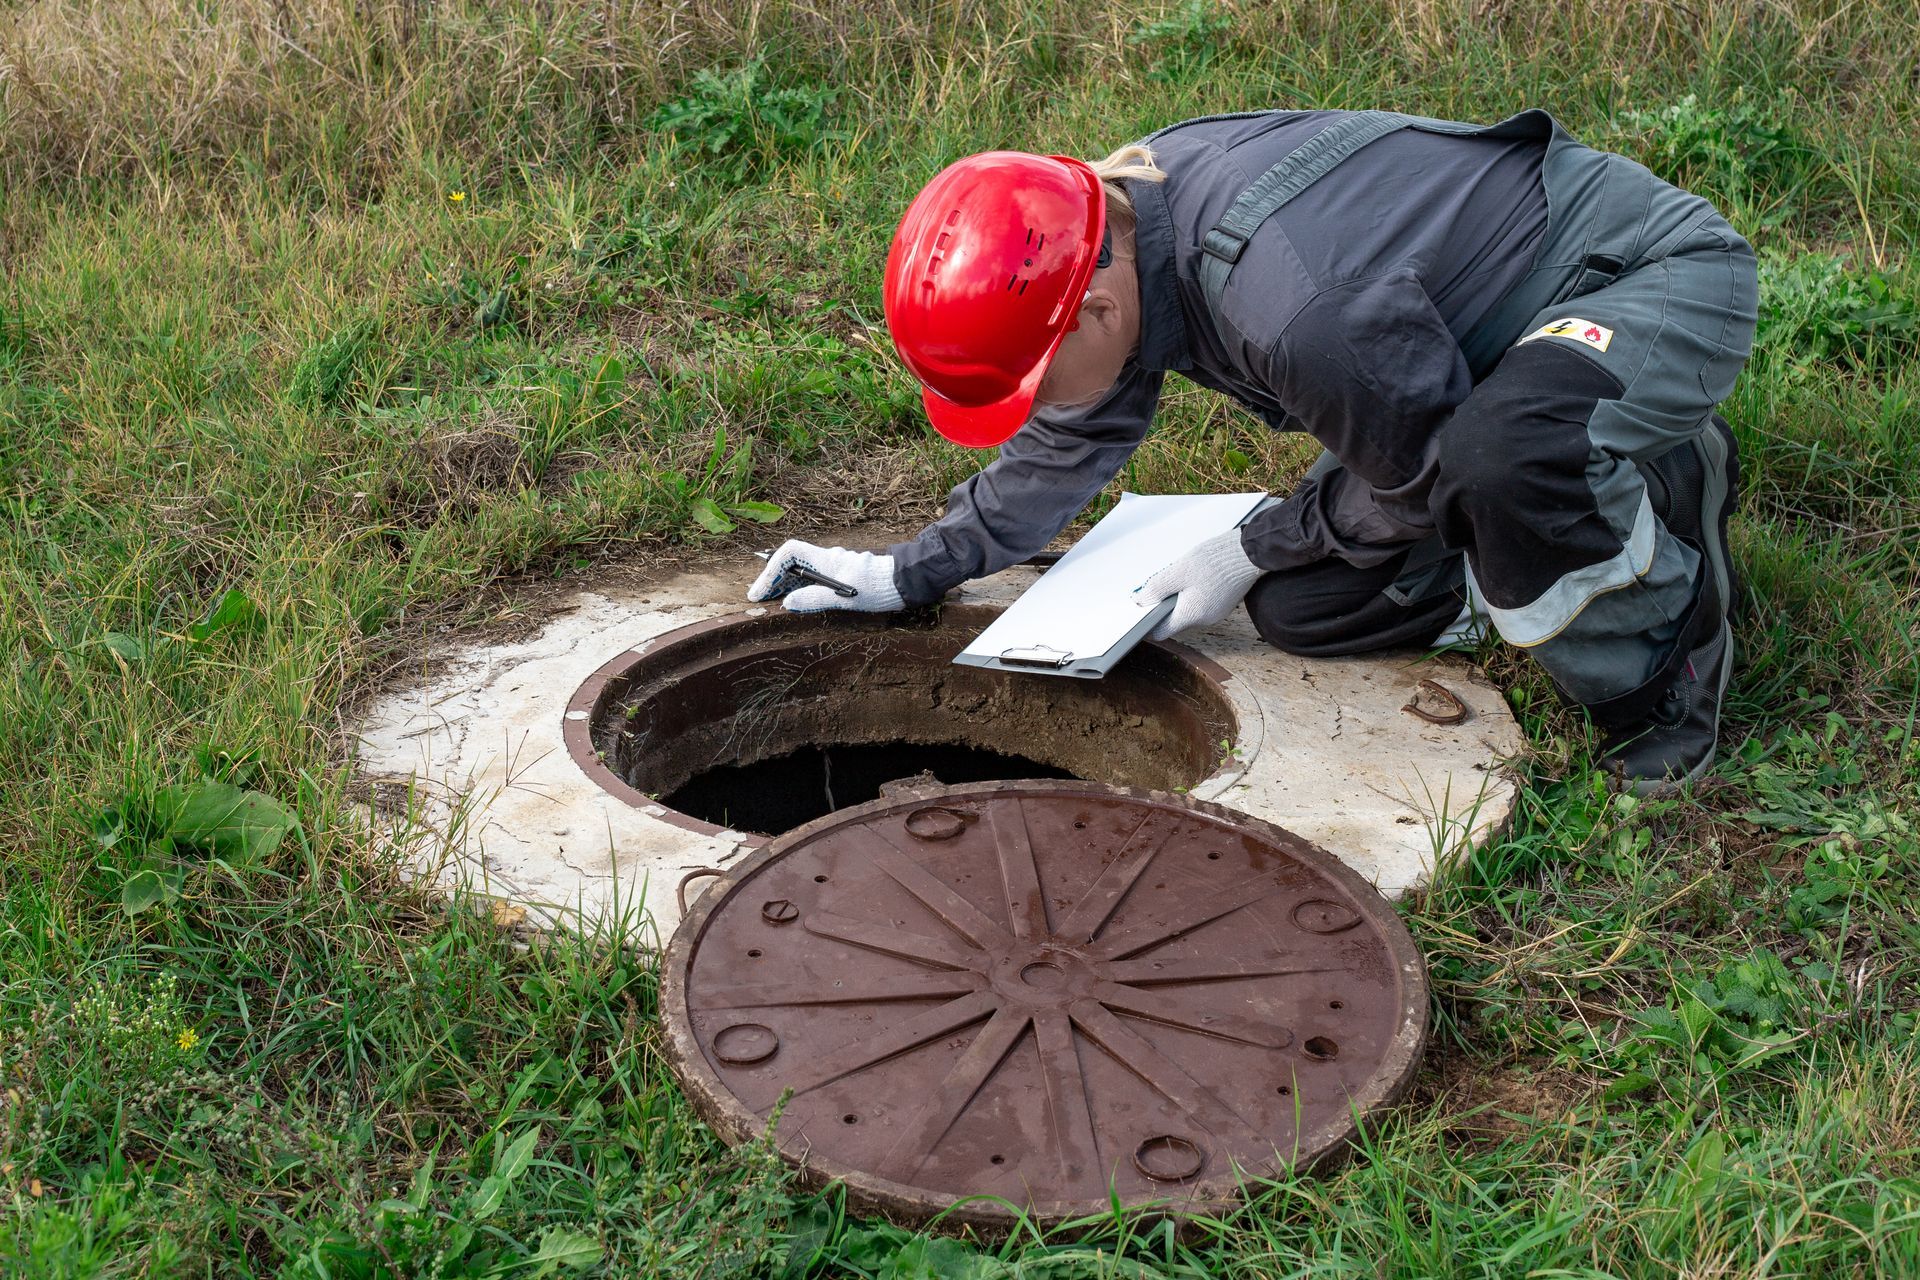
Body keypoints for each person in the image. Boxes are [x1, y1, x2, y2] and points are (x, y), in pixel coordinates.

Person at [747, 108, 1758, 794]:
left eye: (1033, 379)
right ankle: (1545, 491)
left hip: (1628, 277)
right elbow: (1073, 436)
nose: (1036, 410)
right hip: (1439, 353)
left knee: (1503, 461)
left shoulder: (1296, 306)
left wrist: (1247, 540)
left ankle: (1660, 659)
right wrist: (906, 571)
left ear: (1095, 308)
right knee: (1303, 607)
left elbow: (1420, 474)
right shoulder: (1112, 218)